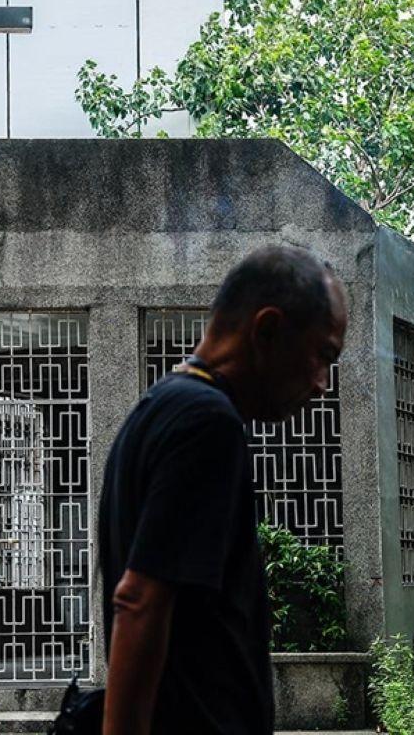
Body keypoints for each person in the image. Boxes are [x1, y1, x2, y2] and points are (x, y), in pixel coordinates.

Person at [99, 245, 347, 735]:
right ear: (268, 330)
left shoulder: (158, 409)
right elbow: (140, 601)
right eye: (323, 355)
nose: (322, 383)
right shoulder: (205, 424)